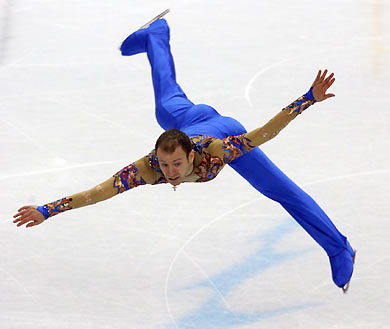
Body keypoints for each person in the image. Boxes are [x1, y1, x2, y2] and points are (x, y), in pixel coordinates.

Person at [13, 17, 355, 292]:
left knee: (283, 191)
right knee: (165, 104)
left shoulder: (219, 150)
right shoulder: (149, 169)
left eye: (175, 163)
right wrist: (47, 210)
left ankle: (339, 248)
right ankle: (155, 34)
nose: (170, 171)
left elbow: (263, 134)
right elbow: (98, 192)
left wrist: (308, 98)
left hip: (222, 126)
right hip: (185, 120)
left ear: (191, 156)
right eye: (165, 164)